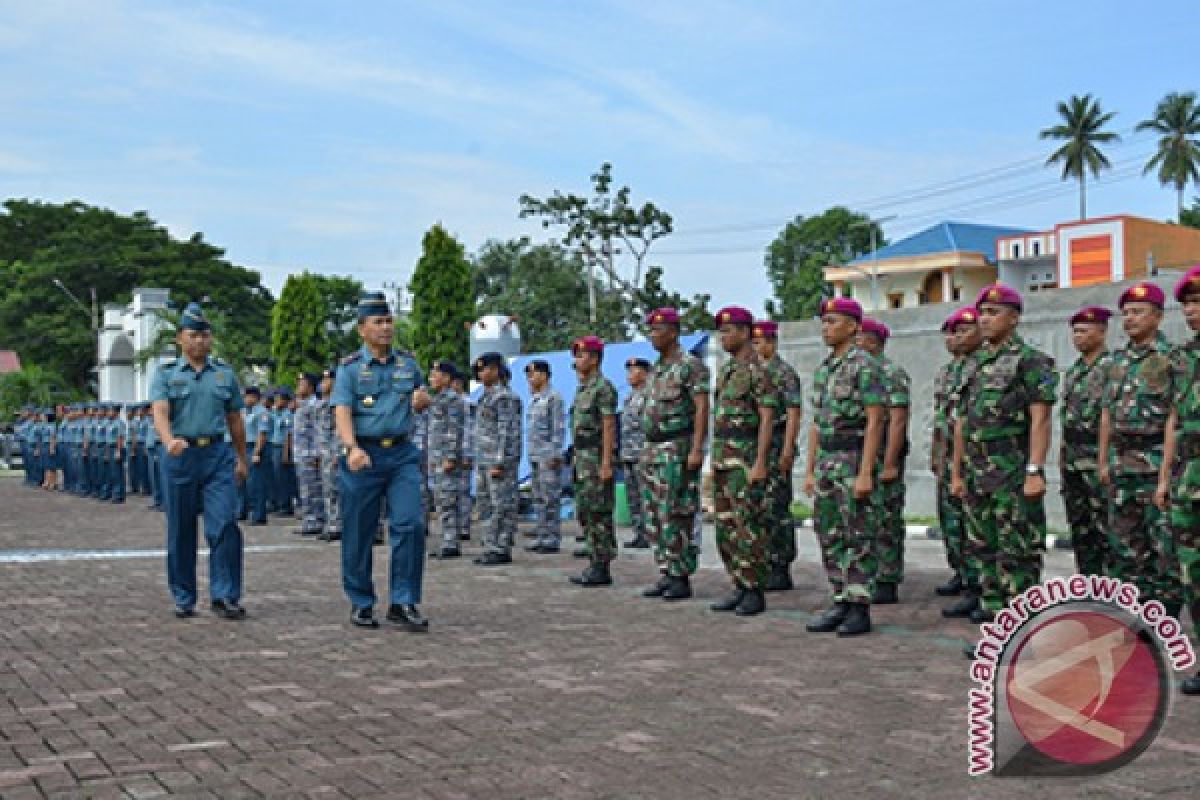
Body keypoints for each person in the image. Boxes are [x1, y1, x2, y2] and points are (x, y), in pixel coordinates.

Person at [951, 284, 1056, 639]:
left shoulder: (1031, 361)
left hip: (1011, 470)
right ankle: (998, 630)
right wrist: (959, 471)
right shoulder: (974, 364)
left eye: (994, 313)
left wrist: (1035, 470)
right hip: (978, 472)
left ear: (1014, 318)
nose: (985, 319)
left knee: (1018, 553)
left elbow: (1040, 418)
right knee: (984, 551)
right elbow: (964, 423)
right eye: (982, 313)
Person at [331, 291, 431, 630]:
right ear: (362, 329)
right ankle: (361, 600)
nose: (386, 328)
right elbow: (342, 412)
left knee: (410, 524)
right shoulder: (349, 370)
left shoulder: (408, 364)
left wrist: (421, 401)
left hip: (402, 454)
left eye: (389, 321)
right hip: (364, 456)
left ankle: (403, 601)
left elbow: (419, 398)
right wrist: (351, 447)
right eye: (378, 322)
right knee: (359, 531)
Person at [149, 302, 249, 620]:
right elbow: (160, 413)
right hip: (180, 457)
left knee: (225, 525)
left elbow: (235, 420)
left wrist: (242, 459)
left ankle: (225, 595)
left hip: (217, 456)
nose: (200, 342)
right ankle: (184, 595)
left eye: (205, 336)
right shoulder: (166, 375)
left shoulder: (224, 374)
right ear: (180, 338)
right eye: (193, 335)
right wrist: (168, 441)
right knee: (181, 529)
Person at [1099, 282, 1183, 617]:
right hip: (1122, 465)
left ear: (1158, 317)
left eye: (1138, 312)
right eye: (1126, 313)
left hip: (1154, 462)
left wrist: (1165, 477)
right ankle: (1136, 610)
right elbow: (1107, 413)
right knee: (1126, 545)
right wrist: (1103, 461)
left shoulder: (1170, 360)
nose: (1130, 319)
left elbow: (1173, 420)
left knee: (1162, 545)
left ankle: (1165, 615)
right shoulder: (1117, 361)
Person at [804, 297, 885, 636]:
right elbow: (816, 423)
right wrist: (810, 469)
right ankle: (840, 597)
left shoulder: (864, 365)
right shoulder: (825, 369)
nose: (826, 327)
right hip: (827, 461)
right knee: (830, 533)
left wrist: (866, 471)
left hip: (853, 458)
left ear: (853, 326)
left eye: (833, 321)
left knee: (859, 534)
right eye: (824, 322)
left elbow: (876, 419)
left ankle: (859, 606)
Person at [709, 306, 777, 616]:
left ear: (746, 332)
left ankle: (754, 588)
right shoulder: (725, 371)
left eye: (729, 330)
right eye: (721, 331)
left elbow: (766, 419)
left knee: (748, 523)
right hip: (724, 456)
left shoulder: (758, 372)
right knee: (725, 526)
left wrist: (761, 461)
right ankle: (737, 581)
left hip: (746, 456)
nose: (723, 336)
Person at [639, 308, 710, 601]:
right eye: (651, 331)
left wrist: (696, 449)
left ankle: (681, 574)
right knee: (655, 513)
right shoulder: (657, 368)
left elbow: (702, 408)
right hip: (653, 447)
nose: (653, 336)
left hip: (676, 446)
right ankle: (666, 569)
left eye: (658, 330)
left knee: (676, 511)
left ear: (673, 331)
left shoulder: (690, 366)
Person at [1157, 265, 1200, 695]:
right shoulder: (1183, 357)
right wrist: (1165, 476)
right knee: (1193, 576)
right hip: (1189, 480)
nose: (1190, 310)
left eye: (1198, 301)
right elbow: (1173, 417)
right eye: (1186, 303)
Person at [857, 318, 910, 605]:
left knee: (887, 520)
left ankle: (888, 579)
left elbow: (898, 421)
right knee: (866, 521)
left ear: (874, 342)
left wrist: (890, 462)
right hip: (863, 455)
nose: (856, 342)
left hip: (883, 456)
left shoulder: (891, 373)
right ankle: (871, 574)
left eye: (861, 338)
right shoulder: (859, 371)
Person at [1059, 306, 1114, 577]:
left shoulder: (1112, 367)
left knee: (1106, 526)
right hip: (1072, 459)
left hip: (1096, 458)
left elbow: (1110, 418)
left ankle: (1112, 588)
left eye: (1084, 331)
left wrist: (1104, 461)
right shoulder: (1073, 372)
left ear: (1102, 332)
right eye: (1075, 331)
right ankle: (1089, 582)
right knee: (1081, 528)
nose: (1077, 337)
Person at [751, 319, 804, 592]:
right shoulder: (752, 373)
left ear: (772, 342)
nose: (756, 347)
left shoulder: (784, 373)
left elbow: (794, 414)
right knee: (758, 509)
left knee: (777, 509)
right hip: (756, 447)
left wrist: (787, 450)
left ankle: (781, 566)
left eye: (759, 342)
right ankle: (763, 561)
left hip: (777, 443)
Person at [567, 336, 619, 587]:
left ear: (595, 359)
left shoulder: (603, 388)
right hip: (582, 458)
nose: (577, 360)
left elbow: (609, 426)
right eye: (576, 355)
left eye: (582, 355)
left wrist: (607, 462)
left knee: (599, 512)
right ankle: (593, 559)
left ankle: (602, 564)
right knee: (586, 510)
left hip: (596, 456)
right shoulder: (582, 389)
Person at [473, 352, 522, 566]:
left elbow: (507, 431)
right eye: (481, 370)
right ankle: (490, 545)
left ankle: (501, 547)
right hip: (484, 459)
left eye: (486, 369)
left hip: (497, 460)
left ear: (496, 370)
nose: (482, 374)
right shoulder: (486, 396)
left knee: (501, 504)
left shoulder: (504, 397)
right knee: (486, 504)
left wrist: (499, 461)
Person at [525, 359, 566, 554]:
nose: (530, 379)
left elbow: (558, 429)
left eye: (533, 374)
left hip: (548, 456)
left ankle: (551, 538)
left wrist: (555, 452)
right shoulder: (534, 399)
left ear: (544, 375)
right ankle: (542, 535)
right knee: (538, 498)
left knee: (550, 498)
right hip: (535, 455)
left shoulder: (553, 398)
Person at [426, 361, 466, 559]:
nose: (431, 378)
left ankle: (451, 542)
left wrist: (450, 456)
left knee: (448, 500)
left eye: (436, 374)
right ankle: (446, 540)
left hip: (446, 458)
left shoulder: (452, 399)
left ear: (447, 378)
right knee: (441, 500)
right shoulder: (439, 399)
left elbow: (454, 429)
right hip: (438, 456)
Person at [619, 357, 651, 549]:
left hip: (643, 453)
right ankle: (639, 534)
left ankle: (650, 534)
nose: (630, 375)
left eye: (634, 371)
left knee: (645, 495)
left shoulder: (649, 396)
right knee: (633, 497)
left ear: (645, 373)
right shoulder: (629, 397)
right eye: (629, 371)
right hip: (629, 453)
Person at [292, 373, 325, 536]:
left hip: (311, 454)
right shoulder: (302, 405)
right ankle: (309, 519)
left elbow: (319, 431)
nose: (299, 387)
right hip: (301, 454)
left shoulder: (315, 406)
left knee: (314, 490)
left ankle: (316, 521)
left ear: (311, 387)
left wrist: (318, 454)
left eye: (302, 384)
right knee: (305, 490)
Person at [316, 368, 341, 542]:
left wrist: (337, 453)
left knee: (336, 490)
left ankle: (337, 525)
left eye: (327, 380)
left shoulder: (338, 402)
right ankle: (332, 523)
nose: (323, 384)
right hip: (325, 452)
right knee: (328, 490)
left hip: (334, 452)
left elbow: (339, 429)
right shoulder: (324, 403)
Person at [451, 371, 475, 544]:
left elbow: (469, 430)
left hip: (462, 452)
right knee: (451, 492)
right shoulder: (450, 402)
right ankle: (455, 527)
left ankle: (464, 526)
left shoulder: (466, 403)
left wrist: (467, 453)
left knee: (463, 491)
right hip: (450, 453)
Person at [270, 388, 295, 517]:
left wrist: (286, 453)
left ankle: (285, 506)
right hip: (274, 447)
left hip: (282, 447)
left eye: (279, 399)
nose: (276, 401)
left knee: (283, 479)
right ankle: (278, 504)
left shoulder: (288, 415)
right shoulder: (275, 413)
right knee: (276, 478)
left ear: (285, 401)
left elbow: (288, 435)